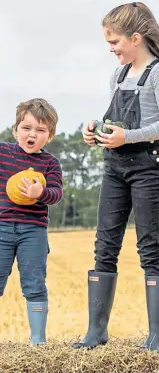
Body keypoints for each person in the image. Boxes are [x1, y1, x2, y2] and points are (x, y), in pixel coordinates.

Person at [72, 2, 159, 352]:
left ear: (135, 37)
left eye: (114, 42)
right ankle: (96, 331)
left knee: (149, 249)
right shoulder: (118, 74)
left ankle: (157, 336)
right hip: (114, 168)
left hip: (148, 168)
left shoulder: (158, 73)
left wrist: (126, 137)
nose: (111, 49)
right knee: (104, 247)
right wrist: (96, 129)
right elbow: (116, 120)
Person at [0, 98, 63, 345]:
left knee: (35, 283)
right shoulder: (2, 154)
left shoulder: (50, 164)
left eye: (40, 130)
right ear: (15, 130)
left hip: (33, 232)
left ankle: (38, 342)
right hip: (1, 228)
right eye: (26, 128)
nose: (32, 135)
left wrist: (41, 194)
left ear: (49, 136)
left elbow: (56, 194)